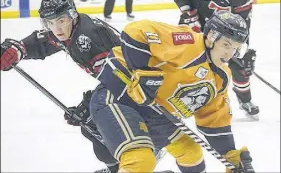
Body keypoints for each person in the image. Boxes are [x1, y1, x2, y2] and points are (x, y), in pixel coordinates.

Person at [89, 11, 255, 172]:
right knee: (140, 161)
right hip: (120, 97)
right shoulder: (189, 43)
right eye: (226, 45)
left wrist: (230, 156)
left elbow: (215, 121)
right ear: (211, 37)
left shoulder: (221, 77)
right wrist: (143, 72)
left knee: (191, 151)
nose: (229, 54)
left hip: (154, 113)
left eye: (235, 48)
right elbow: (136, 31)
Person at [0, 0, 121, 173]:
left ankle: (133, 162)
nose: (56, 29)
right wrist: (20, 49)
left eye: (61, 21)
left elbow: (120, 81)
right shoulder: (73, 29)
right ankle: (120, 167)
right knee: (91, 126)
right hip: (130, 89)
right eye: (50, 23)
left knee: (96, 125)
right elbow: (43, 42)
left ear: (72, 15)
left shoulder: (89, 38)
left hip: (142, 93)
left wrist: (91, 106)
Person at [172, 0, 259, 119]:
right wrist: (188, 12)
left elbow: (243, 22)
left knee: (239, 65)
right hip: (195, 26)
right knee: (187, 61)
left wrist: (243, 46)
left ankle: (245, 100)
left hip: (223, 33)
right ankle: (174, 96)